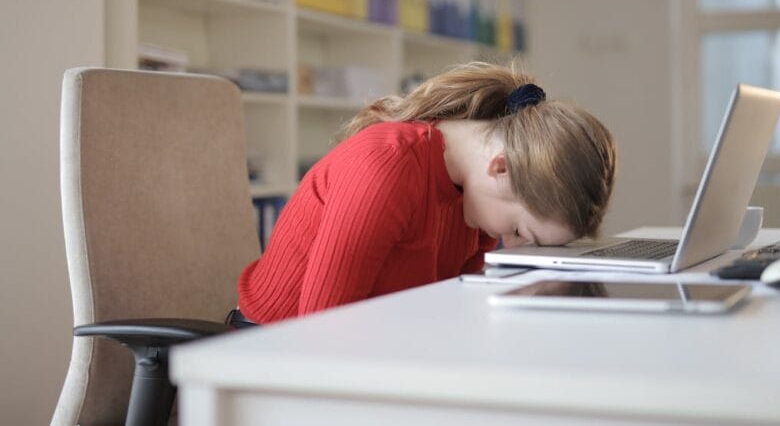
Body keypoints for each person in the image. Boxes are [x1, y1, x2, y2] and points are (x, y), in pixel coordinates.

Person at [235, 61, 617, 324]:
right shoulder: (386, 166)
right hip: (271, 351)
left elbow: (452, 310)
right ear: (500, 167)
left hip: (371, 344)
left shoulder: (476, 198)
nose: (512, 247)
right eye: (520, 233)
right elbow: (322, 332)